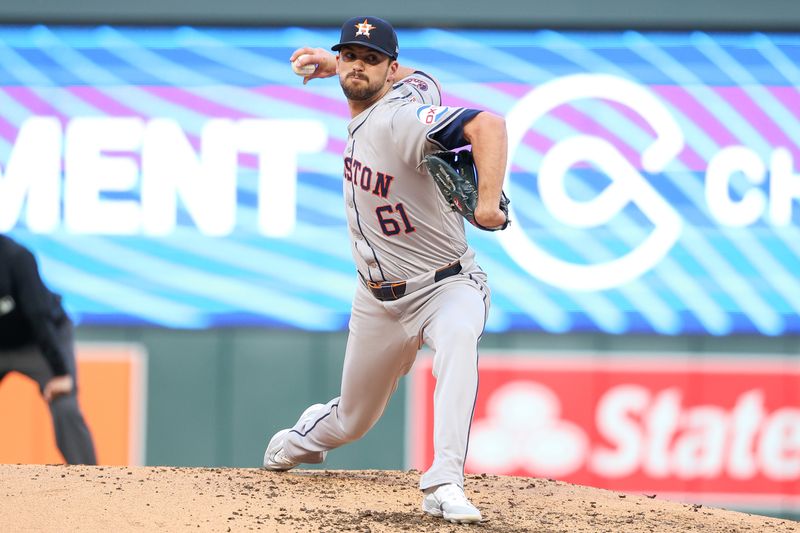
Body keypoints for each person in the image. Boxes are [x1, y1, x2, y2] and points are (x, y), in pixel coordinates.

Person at [263, 16, 508, 524]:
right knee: (352, 421)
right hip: (378, 299)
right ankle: (299, 439)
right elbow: (424, 80)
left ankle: (445, 480)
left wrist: (487, 204)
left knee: (459, 340)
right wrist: (338, 66)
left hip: (447, 284)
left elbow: (489, 124)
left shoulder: (397, 121)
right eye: (351, 55)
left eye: (372, 60)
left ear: (390, 70)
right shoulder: (411, 86)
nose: (358, 66)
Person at [0, 235, 97, 465]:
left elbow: (38, 315)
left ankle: (92, 484)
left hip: (40, 342)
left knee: (65, 406)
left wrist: (61, 372)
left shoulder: (16, 257)